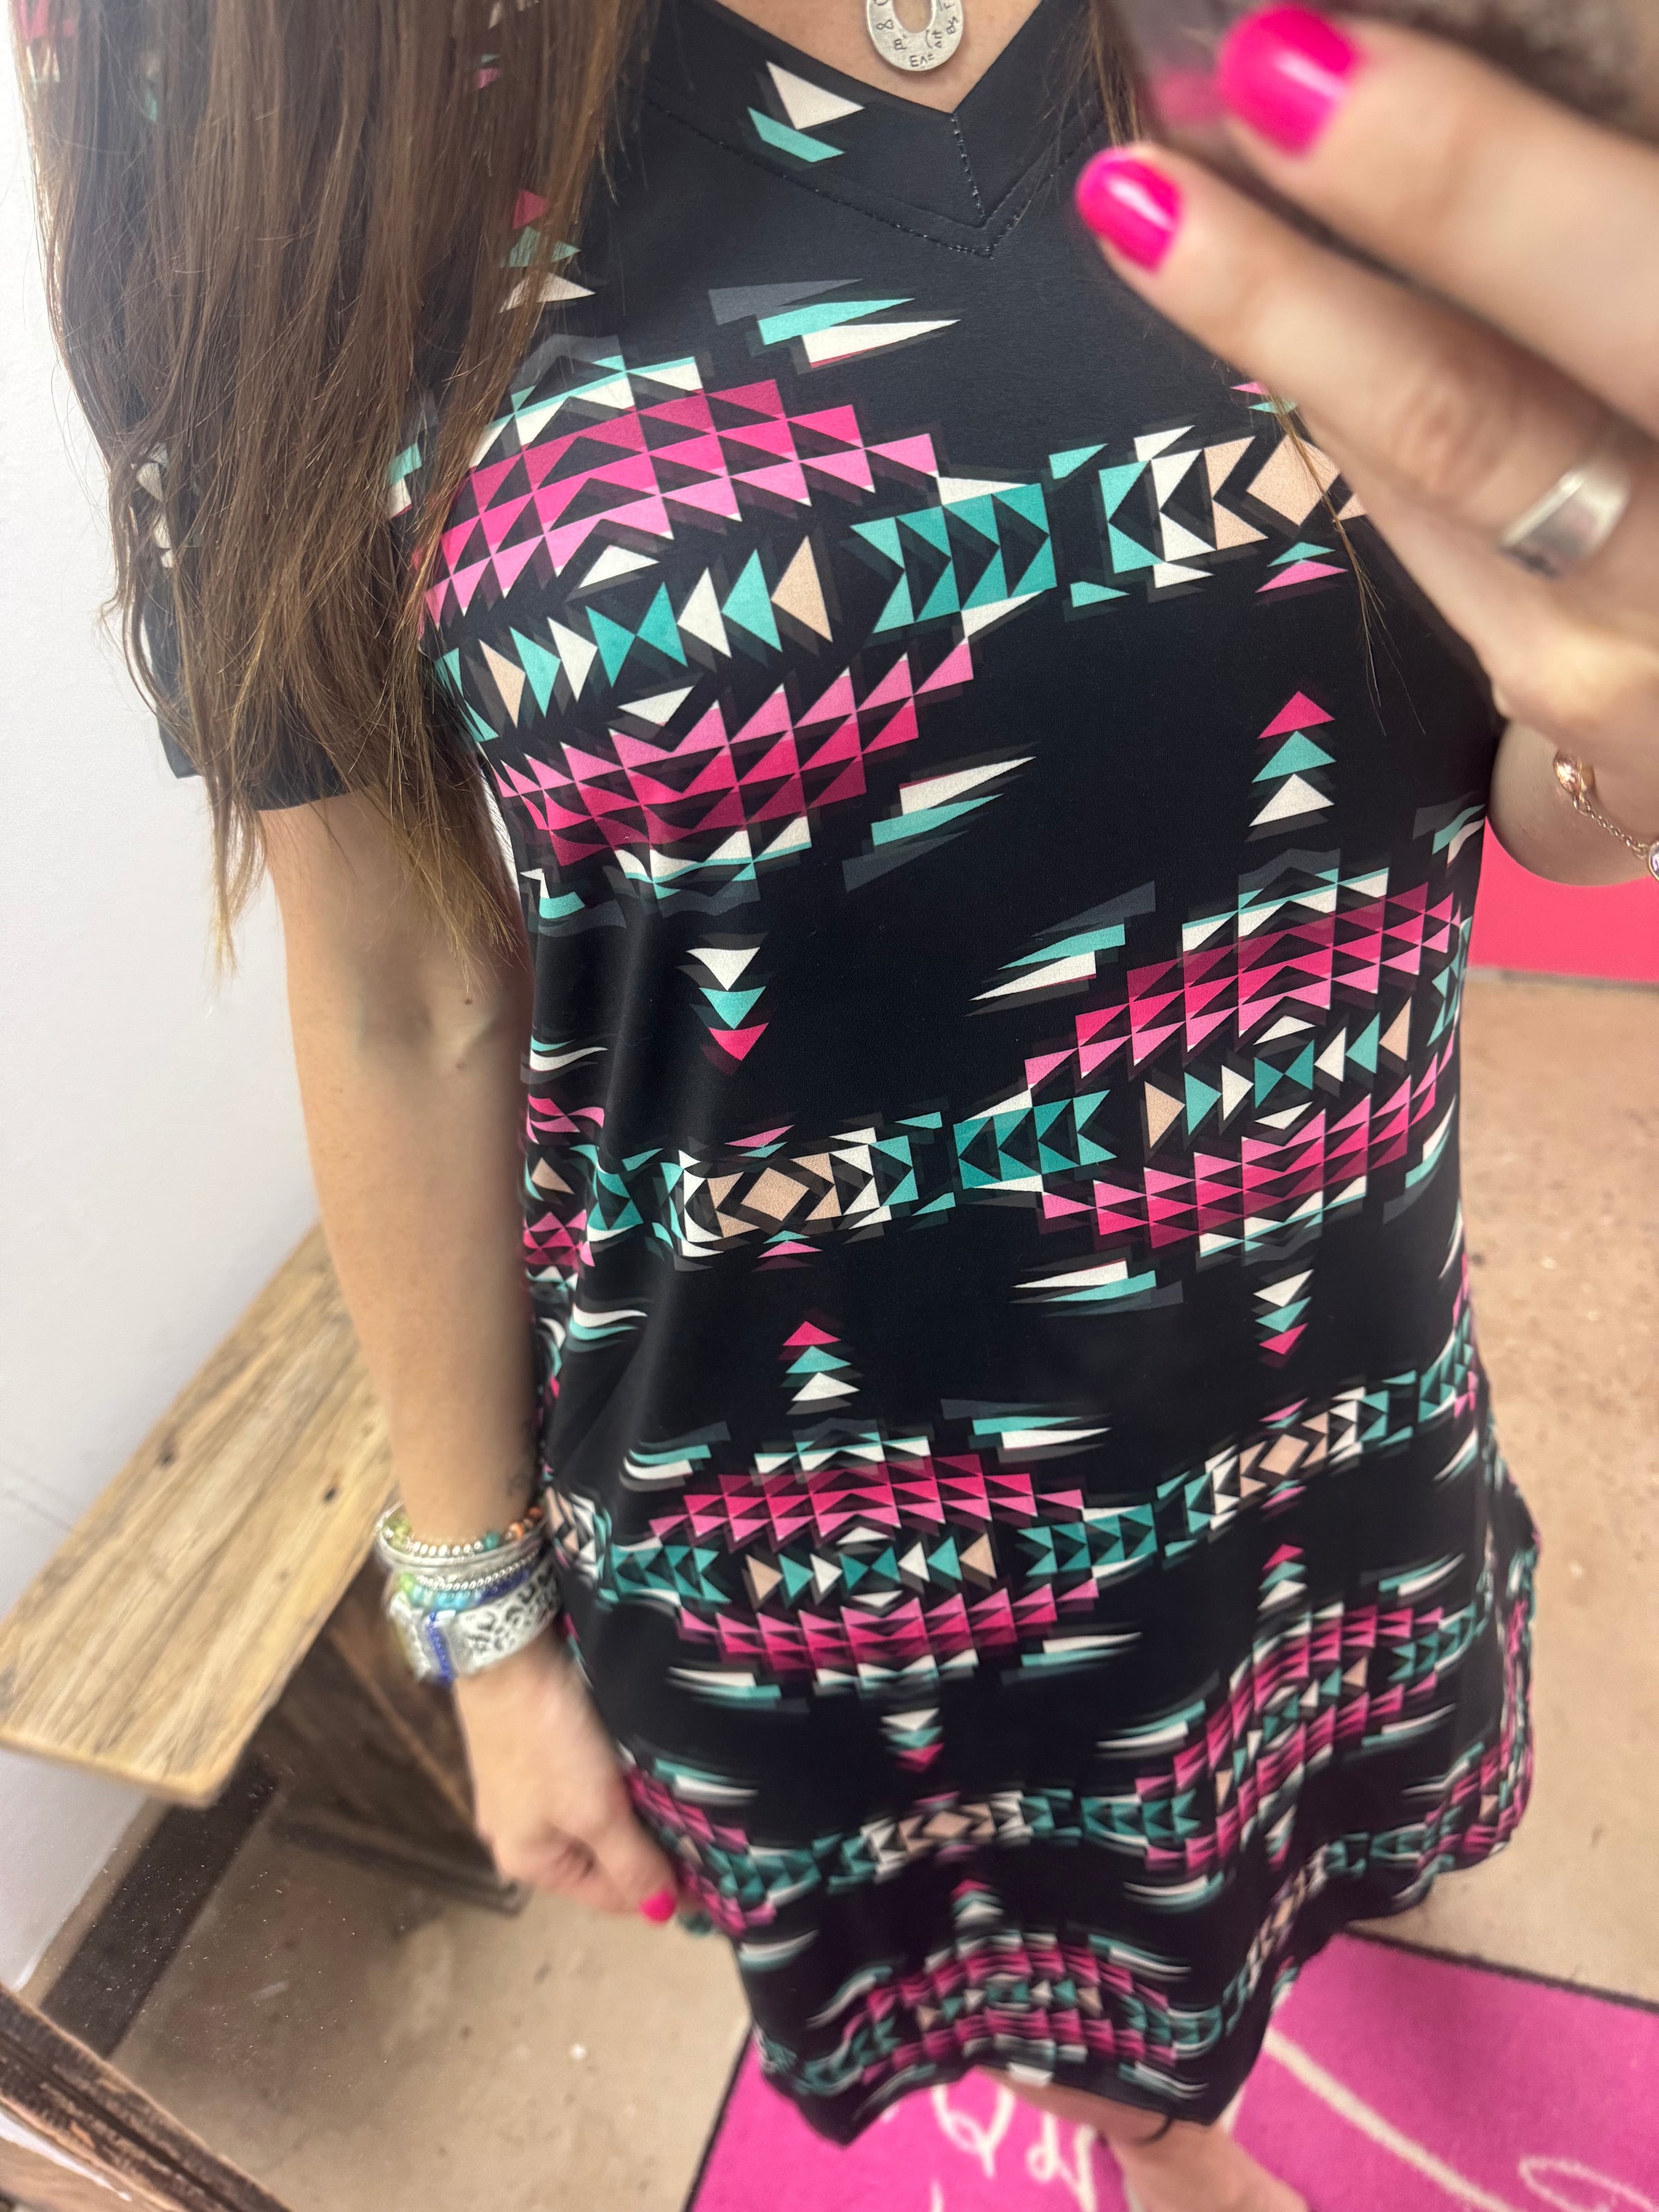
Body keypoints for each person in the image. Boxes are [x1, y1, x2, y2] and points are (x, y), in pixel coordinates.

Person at [16, 0, 1651, 2205]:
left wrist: (1633, 724)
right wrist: (485, 1628)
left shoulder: (1352, 45)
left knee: (1308, 1822)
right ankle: (1160, 2141)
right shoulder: (269, 108)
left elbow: (1525, 761)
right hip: (827, 1517)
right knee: (1066, 1973)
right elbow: (398, 989)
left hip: (1326, 1393)